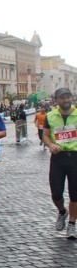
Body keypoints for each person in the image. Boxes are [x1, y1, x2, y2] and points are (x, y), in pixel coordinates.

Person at [42, 88, 77, 239]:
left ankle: (72, 224)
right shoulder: (50, 116)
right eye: (62, 98)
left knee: (75, 194)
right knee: (56, 193)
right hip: (58, 157)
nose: (66, 100)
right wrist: (50, 145)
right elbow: (45, 135)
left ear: (72, 99)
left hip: (75, 156)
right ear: (57, 100)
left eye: (68, 97)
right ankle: (62, 211)